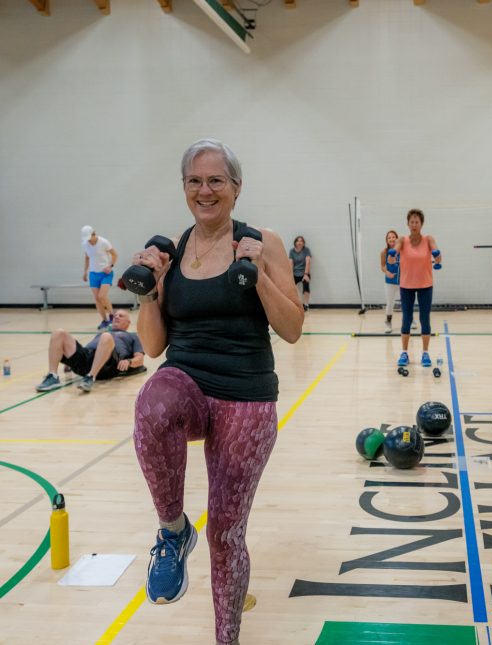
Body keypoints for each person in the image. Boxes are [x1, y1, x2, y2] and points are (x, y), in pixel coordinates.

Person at [129, 138, 303, 645]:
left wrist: (257, 275)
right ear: (184, 188)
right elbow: (155, 346)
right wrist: (147, 291)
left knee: (226, 533)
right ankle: (173, 530)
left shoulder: (262, 240)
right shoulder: (174, 249)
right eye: (194, 182)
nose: (205, 191)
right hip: (186, 379)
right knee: (152, 405)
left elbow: (292, 329)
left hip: (247, 393)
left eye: (215, 181)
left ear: (236, 188)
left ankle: (227, 637)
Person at [35, 309, 145, 393]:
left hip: (108, 363)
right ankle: (52, 376)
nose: (116, 317)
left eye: (121, 316)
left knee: (106, 336)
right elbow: (86, 349)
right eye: (115, 315)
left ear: (128, 322)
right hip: (88, 358)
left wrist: (129, 362)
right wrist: (70, 360)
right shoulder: (101, 334)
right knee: (59, 333)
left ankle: (90, 377)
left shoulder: (133, 336)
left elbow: (140, 359)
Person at [391, 208, 441, 368]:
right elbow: (395, 250)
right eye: (411, 222)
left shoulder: (428, 239)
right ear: (408, 223)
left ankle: (425, 353)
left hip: (425, 285)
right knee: (407, 319)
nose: (414, 224)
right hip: (406, 285)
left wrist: (437, 256)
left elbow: (436, 252)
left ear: (421, 224)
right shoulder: (402, 240)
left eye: (417, 222)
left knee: (424, 319)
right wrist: (392, 255)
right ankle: (404, 352)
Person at [81, 225, 118, 330]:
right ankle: (104, 320)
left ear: (93, 234)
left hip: (105, 273)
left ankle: (112, 317)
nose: (88, 241)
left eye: (89, 238)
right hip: (93, 273)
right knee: (97, 299)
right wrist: (85, 272)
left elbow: (115, 255)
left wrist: (110, 266)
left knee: (102, 296)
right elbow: (87, 257)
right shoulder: (85, 244)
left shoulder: (104, 242)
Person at [380, 230, 400, 333]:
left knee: (407, 302)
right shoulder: (384, 252)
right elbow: (382, 267)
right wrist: (387, 273)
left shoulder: (402, 250)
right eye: (389, 237)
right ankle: (388, 322)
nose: (391, 239)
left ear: (397, 238)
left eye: (393, 237)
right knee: (390, 303)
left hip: (402, 281)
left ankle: (410, 320)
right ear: (387, 240)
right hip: (390, 281)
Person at [288, 235, 312, 311]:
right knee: (290, 288)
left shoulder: (306, 250)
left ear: (303, 243)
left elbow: (308, 262)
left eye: (301, 241)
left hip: (305, 273)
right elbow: (291, 263)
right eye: (298, 241)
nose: (299, 242)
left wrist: (306, 274)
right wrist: (291, 275)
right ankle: (294, 304)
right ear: (295, 242)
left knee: (306, 287)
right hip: (295, 272)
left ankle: (306, 305)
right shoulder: (292, 251)